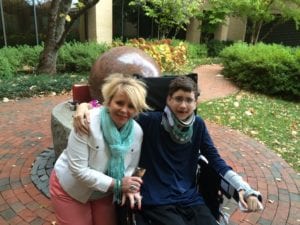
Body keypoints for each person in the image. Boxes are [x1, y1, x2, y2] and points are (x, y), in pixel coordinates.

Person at [74, 76, 262, 225]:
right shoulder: (150, 121)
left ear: (196, 103)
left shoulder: (198, 125)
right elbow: (115, 110)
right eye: (178, 99)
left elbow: (215, 161)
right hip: (157, 199)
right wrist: (84, 107)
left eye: (189, 100)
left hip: (190, 198)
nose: (183, 105)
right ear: (168, 100)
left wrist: (245, 190)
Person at [49, 73, 150, 225]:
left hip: (105, 192)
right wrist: (118, 185)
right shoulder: (87, 122)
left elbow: (130, 166)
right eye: (119, 103)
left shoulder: (137, 132)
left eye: (131, 106)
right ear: (108, 102)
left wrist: (129, 185)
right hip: (71, 189)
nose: (124, 110)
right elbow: (78, 170)